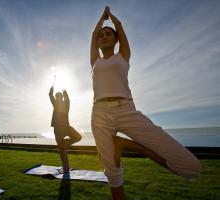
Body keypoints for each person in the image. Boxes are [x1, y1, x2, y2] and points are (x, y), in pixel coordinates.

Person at [90, 6, 200, 200]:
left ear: (116, 40)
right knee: (113, 175)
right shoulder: (95, 62)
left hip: (126, 111)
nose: (104, 36)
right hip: (99, 114)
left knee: (191, 167)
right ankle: (121, 148)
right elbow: (92, 34)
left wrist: (111, 17)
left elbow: (120, 28)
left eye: (108, 33)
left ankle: (131, 146)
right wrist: (101, 18)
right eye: (101, 35)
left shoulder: (123, 57)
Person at [49, 86, 82, 173]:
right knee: (77, 138)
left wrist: (53, 87)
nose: (57, 98)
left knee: (63, 147)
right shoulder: (64, 103)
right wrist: (64, 90)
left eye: (57, 96)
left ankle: (64, 145)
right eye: (57, 97)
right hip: (63, 127)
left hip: (62, 127)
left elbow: (50, 94)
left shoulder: (58, 104)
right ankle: (66, 168)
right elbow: (66, 97)